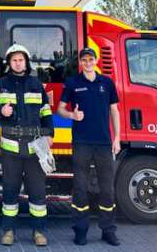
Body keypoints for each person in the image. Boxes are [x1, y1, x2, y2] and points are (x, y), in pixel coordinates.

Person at [0, 44, 54, 247]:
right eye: (14, 60)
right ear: (9, 63)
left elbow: (46, 111)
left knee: (37, 191)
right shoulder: (1, 84)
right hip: (11, 149)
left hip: (35, 147)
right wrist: (1, 111)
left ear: (26, 62)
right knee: (10, 190)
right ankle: (8, 231)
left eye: (21, 60)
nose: (18, 63)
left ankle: (39, 232)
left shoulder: (36, 84)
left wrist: (50, 134)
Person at [58, 48, 121, 246]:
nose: (87, 62)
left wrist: (117, 138)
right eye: (84, 60)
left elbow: (114, 111)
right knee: (80, 188)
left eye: (90, 59)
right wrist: (72, 115)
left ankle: (108, 231)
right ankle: (80, 231)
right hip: (81, 143)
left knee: (107, 189)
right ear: (80, 62)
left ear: (96, 60)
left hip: (104, 143)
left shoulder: (107, 83)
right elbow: (60, 109)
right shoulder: (73, 83)